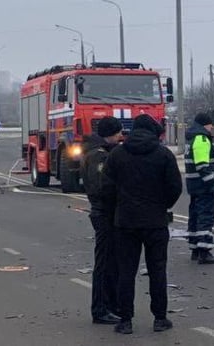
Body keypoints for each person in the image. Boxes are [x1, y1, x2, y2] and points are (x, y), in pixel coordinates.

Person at [102, 114, 182, 336]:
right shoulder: (163, 154)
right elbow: (175, 186)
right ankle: (160, 318)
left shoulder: (117, 154)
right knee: (157, 270)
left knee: (126, 271)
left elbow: (106, 187)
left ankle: (125, 319)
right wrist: (161, 205)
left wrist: (118, 207)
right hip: (155, 221)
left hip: (126, 222)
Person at [79, 117, 125, 326]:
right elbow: (101, 186)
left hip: (106, 212)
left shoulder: (100, 152)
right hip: (104, 213)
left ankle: (111, 304)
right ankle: (100, 309)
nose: (121, 137)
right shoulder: (98, 156)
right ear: (110, 134)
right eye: (118, 133)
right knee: (105, 263)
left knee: (112, 262)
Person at [184, 113, 214, 265]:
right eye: (210, 124)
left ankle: (195, 248)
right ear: (205, 125)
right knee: (205, 217)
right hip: (203, 186)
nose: (211, 127)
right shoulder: (201, 138)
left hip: (194, 185)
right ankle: (204, 251)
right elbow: (202, 165)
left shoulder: (192, 138)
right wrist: (211, 183)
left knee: (195, 216)